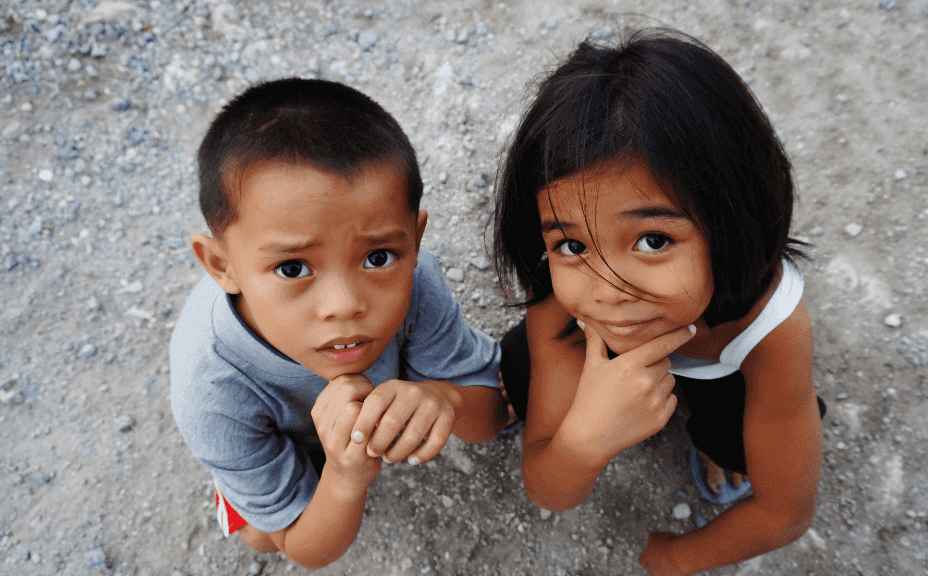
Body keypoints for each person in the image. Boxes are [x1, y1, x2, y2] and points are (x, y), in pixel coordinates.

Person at [493, 29, 826, 575]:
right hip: (586, 352)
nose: (606, 290)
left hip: (726, 365)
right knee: (524, 368)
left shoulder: (773, 329)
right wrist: (582, 442)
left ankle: (713, 442)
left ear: (732, 223)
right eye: (572, 244)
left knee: (747, 440)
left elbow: (785, 512)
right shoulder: (560, 298)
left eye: (653, 240)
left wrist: (678, 558)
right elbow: (547, 487)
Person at [170, 78, 506, 569]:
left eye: (378, 257)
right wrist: (346, 478)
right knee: (264, 536)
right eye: (292, 268)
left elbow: (491, 414)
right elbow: (306, 551)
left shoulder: (418, 283)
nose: (344, 305)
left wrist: (446, 399)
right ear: (222, 265)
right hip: (290, 440)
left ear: (414, 241)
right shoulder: (213, 392)